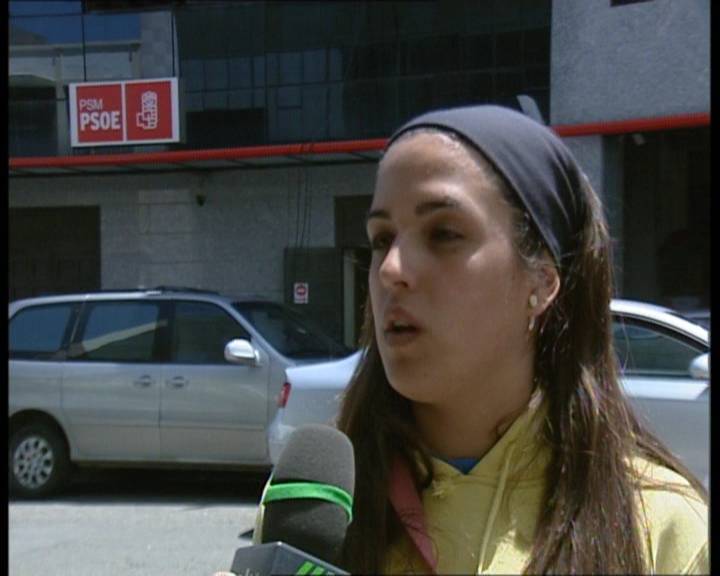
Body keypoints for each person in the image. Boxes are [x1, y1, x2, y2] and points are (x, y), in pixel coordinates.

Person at [217, 105, 708, 575]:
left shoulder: (660, 528)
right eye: (382, 239)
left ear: (541, 281)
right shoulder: (319, 509)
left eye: (444, 233)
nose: (391, 270)